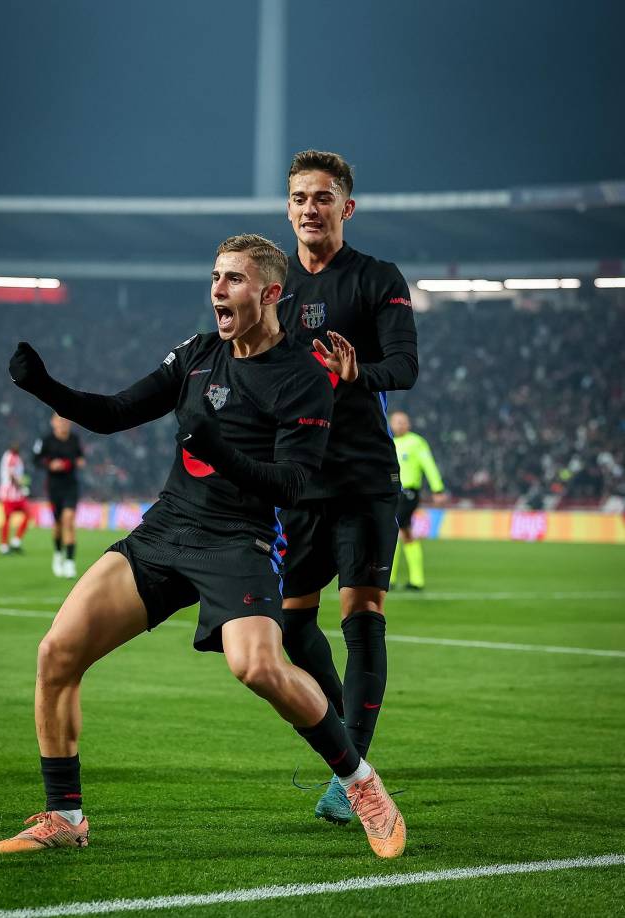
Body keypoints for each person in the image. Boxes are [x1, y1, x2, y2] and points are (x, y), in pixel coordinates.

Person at [0, 234, 405, 860]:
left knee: (258, 667)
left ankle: (360, 783)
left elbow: (293, 483)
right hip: (167, 529)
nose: (217, 288)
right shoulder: (198, 353)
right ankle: (65, 815)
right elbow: (111, 412)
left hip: (241, 539)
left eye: (233, 278)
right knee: (57, 653)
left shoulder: (303, 377)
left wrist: (222, 454)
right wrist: (44, 386)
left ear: (269, 293)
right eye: (215, 276)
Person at [277, 150, 418, 824]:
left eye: (324, 197)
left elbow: (407, 367)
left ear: (346, 208)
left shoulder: (376, 279)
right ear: (288, 208)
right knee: (290, 624)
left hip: (363, 476)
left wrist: (361, 372)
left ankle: (351, 776)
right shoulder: (274, 288)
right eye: (300, 197)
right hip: (302, 480)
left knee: (361, 620)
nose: (311, 207)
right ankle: (346, 750)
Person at [389, 411, 446, 591]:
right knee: (406, 533)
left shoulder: (416, 442)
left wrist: (438, 489)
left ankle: (388, 578)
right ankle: (416, 580)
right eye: (396, 422)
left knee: (393, 528)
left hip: (408, 493)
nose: (399, 425)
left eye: (403, 422)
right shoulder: (389, 441)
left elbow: (428, 465)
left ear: (409, 424)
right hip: (392, 493)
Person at [33, 415, 85, 578]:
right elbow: (35, 460)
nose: (63, 423)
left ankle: (70, 562)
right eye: (60, 420)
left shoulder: (74, 440)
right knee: (58, 524)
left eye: (66, 420)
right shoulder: (46, 440)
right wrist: (50, 464)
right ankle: (57, 554)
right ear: (53, 423)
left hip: (71, 486)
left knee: (68, 520)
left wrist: (79, 462)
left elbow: (80, 458)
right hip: (54, 487)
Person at [0, 442, 32, 554]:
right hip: (10, 494)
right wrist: (22, 487)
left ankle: (15, 541)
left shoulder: (11, 456)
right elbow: (12, 475)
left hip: (15, 494)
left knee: (28, 514)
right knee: (8, 518)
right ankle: (4, 546)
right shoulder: (12, 457)